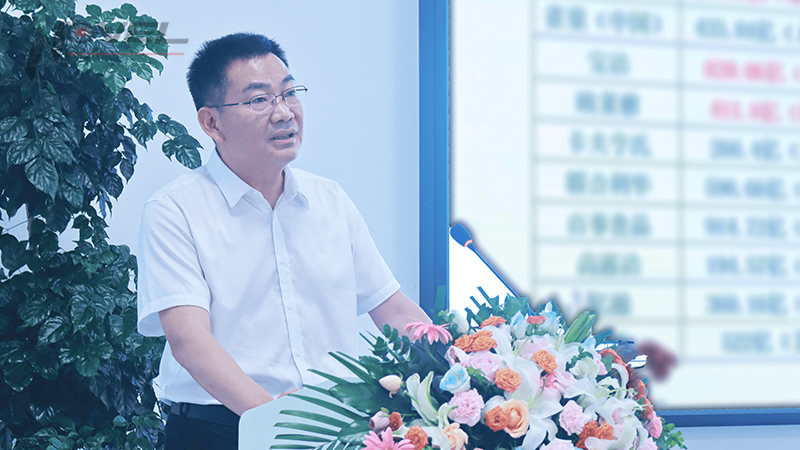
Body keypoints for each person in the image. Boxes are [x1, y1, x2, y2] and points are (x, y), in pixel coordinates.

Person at [136, 33, 431, 450]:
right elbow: (189, 340)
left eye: (290, 93)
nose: (284, 112)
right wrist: (276, 423)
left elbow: (395, 310)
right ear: (211, 123)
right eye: (259, 100)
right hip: (219, 431)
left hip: (334, 429)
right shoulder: (174, 209)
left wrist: (467, 371)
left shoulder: (329, 199)